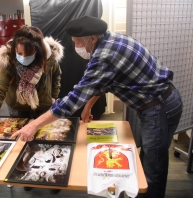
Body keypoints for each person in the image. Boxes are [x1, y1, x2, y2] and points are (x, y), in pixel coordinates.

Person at [11, 16, 183, 198]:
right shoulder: (112, 39)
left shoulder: (104, 56)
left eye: (78, 42)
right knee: (149, 159)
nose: (76, 46)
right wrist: (89, 105)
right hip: (158, 102)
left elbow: (72, 100)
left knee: (153, 169)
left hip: (159, 107)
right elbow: (106, 82)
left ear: (92, 38)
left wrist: (34, 125)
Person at [0, 25, 64, 193]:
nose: (23, 57)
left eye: (29, 54)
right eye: (19, 53)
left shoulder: (50, 61)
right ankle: (30, 174)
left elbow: (57, 77)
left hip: (43, 107)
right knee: (26, 143)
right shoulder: (10, 63)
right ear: (14, 50)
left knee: (46, 141)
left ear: (39, 50)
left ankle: (52, 175)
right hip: (18, 109)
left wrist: (53, 95)